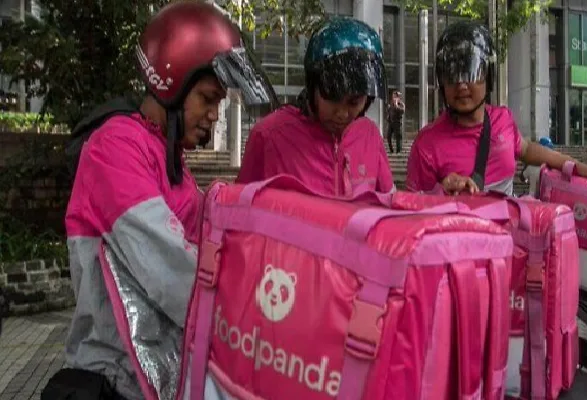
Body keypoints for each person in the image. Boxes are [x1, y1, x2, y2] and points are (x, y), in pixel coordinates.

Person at [57, 2, 276, 399]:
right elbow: (171, 268)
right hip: (117, 379)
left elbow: (210, 238)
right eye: (208, 98)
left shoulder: (166, 153)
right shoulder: (115, 148)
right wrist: (263, 323)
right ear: (171, 81)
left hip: (167, 373)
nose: (214, 115)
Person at [406, 21, 587, 196]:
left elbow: (526, 149)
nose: (461, 85)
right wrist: (441, 192)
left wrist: (578, 167)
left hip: (510, 231)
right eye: (452, 75)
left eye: (471, 73)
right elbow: (412, 209)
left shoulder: (503, 119)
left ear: (489, 76)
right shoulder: (426, 145)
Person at [236, 16, 395, 196]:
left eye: (354, 102)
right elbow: (241, 207)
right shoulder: (268, 136)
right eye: (333, 98)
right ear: (313, 88)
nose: (342, 114)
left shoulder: (369, 136)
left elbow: (388, 202)